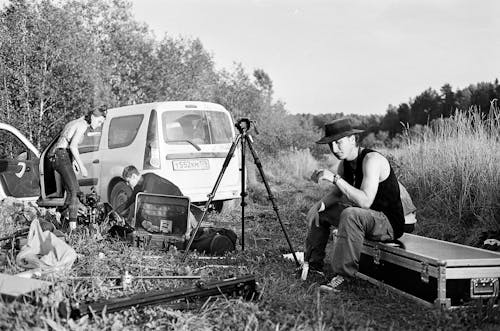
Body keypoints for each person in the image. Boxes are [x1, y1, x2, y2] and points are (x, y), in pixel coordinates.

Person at [305, 117, 405, 292]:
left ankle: (343, 277)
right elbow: (337, 194)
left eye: (339, 143)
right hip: (365, 219)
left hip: (387, 222)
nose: (335, 149)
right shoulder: (345, 165)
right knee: (322, 212)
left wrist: (334, 178)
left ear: (352, 139)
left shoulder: (371, 160)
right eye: (331, 145)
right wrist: (317, 206)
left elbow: (365, 201)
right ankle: (313, 267)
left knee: (351, 214)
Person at [48, 107, 106, 232]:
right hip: (62, 155)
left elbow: (65, 143)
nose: (99, 125)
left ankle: (62, 221)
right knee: (74, 191)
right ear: (93, 117)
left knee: (70, 191)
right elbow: (74, 146)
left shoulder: (74, 122)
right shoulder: (82, 125)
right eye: (100, 122)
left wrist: (72, 161)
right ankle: (72, 229)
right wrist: (82, 166)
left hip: (58, 155)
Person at [115, 165, 198, 234]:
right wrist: (114, 212)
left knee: (186, 212)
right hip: (163, 200)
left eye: (128, 181)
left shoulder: (149, 178)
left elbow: (145, 200)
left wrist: (140, 219)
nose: (127, 184)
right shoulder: (137, 188)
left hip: (174, 194)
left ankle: (196, 229)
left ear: (134, 176)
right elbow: (129, 202)